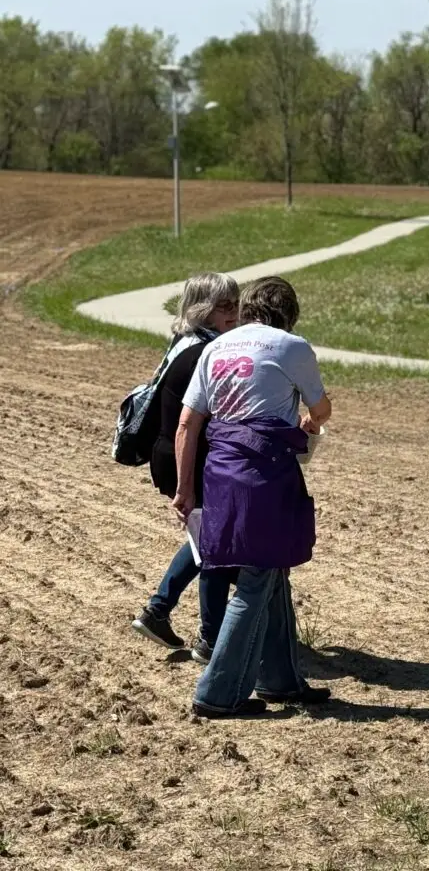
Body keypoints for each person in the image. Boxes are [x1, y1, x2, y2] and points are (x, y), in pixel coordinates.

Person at [173, 276, 333, 720]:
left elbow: (188, 424)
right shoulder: (290, 346)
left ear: (245, 309)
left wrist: (185, 489)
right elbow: (321, 410)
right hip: (265, 475)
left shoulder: (215, 347)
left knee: (270, 569)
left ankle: (279, 680)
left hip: (220, 473)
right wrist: (309, 422)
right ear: (289, 314)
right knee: (256, 578)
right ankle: (218, 693)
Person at [131, 273, 240, 663]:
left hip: (176, 455)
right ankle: (209, 640)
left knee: (204, 538)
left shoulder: (190, 342)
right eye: (224, 305)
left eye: (235, 303)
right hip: (185, 458)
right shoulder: (203, 353)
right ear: (202, 310)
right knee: (214, 547)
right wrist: (186, 485)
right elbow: (188, 424)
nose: (234, 312)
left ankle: (158, 610)